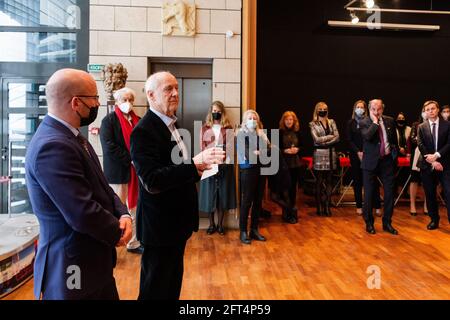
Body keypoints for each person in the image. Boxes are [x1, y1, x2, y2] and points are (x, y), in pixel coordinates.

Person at [25, 69, 132, 300]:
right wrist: (118, 233)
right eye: (94, 98)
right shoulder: (52, 145)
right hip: (73, 268)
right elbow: (81, 212)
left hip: (93, 263)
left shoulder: (72, 136)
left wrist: (124, 215)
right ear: (76, 103)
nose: (97, 103)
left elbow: (103, 186)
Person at [130, 71, 224, 300]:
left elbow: (176, 166)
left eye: (176, 88)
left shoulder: (172, 124)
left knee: (171, 287)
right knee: (155, 290)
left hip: (175, 224)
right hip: (159, 226)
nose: (175, 93)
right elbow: (152, 180)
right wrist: (194, 165)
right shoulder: (143, 132)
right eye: (168, 89)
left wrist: (199, 165)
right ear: (151, 95)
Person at [100, 87, 142, 254]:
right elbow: (109, 146)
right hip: (118, 172)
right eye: (124, 100)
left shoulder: (137, 120)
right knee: (115, 209)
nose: (128, 103)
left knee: (135, 208)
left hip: (135, 172)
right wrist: (130, 158)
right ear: (117, 102)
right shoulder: (109, 121)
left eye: (130, 100)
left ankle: (134, 242)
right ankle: (111, 242)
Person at [360, 99, 399, 235]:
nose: (376, 112)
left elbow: (394, 140)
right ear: (369, 109)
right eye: (373, 110)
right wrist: (375, 123)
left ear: (383, 109)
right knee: (369, 194)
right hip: (370, 162)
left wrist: (394, 154)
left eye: (379, 109)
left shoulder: (389, 121)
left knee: (389, 192)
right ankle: (369, 222)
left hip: (386, 162)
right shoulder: (364, 122)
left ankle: (387, 222)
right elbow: (368, 136)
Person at [198, 101, 237, 235]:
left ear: (222, 112)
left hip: (224, 165)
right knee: (210, 195)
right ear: (211, 112)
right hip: (209, 165)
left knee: (222, 196)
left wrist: (223, 159)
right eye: (214, 110)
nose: (216, 112)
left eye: (218, 110)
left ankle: (220, 225)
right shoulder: (204, 128)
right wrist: (209, 160)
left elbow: (231, 148)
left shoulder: (228, 128)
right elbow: (202, 147)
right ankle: (211, 224)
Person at [237, 110, 269, 244]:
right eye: (249, 118)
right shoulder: (241, 134)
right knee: (246, 201)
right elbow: (248, 154)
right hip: (248, 169)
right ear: (245, 120)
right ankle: (243, 231)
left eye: (254, 118)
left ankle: (254, 230)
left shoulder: (261, 134)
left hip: (261, 169)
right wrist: (257, 152)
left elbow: (268, 151)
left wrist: (258, 152)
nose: (252, 120)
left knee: (258, 201)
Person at [417, 100, 450, 230]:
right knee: (430, 194)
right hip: (427, 165)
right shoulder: (421, 127)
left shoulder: (448, 125)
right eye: (428, 109)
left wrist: (437, 156)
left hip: (445, 164)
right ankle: (434, 220)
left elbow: (449, 144)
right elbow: (421, 145)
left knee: (448, 192)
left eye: (433, 108)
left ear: (437, 110)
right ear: (425, 112)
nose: (430, 111)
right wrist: (433, 161)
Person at [345, 100, 382, 216]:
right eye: (358, 107)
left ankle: (376, 205)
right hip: (356, 155)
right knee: (357, 181)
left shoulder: (369, 122)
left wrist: (365, 152)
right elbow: (349, 140)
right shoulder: (350, 123)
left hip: (369, 154)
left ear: (366, 109)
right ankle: (359, 205)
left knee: (372, 181)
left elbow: (372, 137)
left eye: (362, 107)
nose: (360, 109)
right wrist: (357, 152)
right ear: (354, 109)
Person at [309, 102, 340, 217]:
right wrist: (329, 137)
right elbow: (316, 140)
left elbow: (337, 138)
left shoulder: (332, 122)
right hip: (319, 153)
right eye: (320, 109)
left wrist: (326, 141)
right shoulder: (312, 124)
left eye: (325, 109)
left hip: (331, 153)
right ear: (317, 110)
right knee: (319, 181)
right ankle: (319, 207)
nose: (323, 110)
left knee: (329, 180)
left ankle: (327, 206)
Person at [279, 110, 302, 223]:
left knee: (293, 189)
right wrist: (285, 151)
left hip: (295, 164)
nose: (289, 121)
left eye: (291, 119)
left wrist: (297, 149)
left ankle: (292, 211)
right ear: (284, 121)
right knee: (285, 189)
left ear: (294, 121)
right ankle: (285, 212)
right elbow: (275, 149)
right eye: (287, 119)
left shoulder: (298, 132)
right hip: (284, 164)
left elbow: (303, 147)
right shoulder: (279, 132)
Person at [408, 108, 428, 216]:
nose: (427, 112)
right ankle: (412, 205)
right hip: (417, 154)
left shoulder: (434, 125)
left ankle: (426, 205)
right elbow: (412, 139)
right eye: (425, 110)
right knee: (414, 180)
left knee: (428, 181)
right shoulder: (416, 124)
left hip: (430, 155)